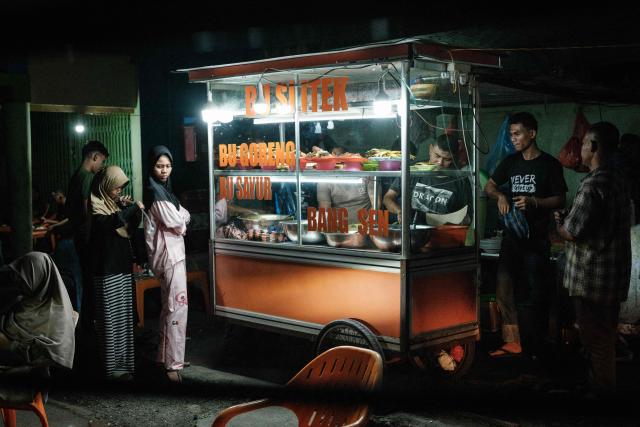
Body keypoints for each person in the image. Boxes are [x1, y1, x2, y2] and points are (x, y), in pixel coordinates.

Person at [554, 122, 631, 396]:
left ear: (594, 147)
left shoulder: (593, 184)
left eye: (584, 143)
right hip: (613, 276)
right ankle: (601, 384)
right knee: (606, 336)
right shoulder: (619, 179)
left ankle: (602, 392)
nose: (581, 148)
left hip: (591, 278)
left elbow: (572, 233)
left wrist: (560, 224)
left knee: (595, 338)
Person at [484, 112, 567, 358]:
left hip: (537, 240)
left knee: (536, 293)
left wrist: (535, 201)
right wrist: (500, 196)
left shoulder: (549, 164)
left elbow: (560, 198)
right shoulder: (510, 162)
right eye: (511, 134)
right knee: (504, 289)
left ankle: (537, 345)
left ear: (532, 133)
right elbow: (489, 185)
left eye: (518, 133)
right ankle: (512, 343)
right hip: (512, 239)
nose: (513, 139)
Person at [89, 165, 142, 381]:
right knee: (110, 319)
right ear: (105, 186)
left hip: (121, 267)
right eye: (116, 188)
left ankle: (124, 363)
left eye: (121, 188)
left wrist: (132, 211)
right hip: (106, 270)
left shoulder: (113, 205)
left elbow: (129, 228)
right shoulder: (96, 207)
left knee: (124, 317)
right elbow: (109, 225)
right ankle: (111, 369)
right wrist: (127, 210)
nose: (119, 192)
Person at [143, 146, 191, 383]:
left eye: (168, 166)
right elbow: (179, 222)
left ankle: (165, 357)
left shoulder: (165, 192)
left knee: (169, 308)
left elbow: (185, 215)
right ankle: (173, 364)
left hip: (173, 257)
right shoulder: (157, 194)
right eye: (159, 166)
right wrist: (180, 220)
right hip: (169, 258)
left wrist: (180, 219)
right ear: (151, 167)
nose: (164, 170)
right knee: (176, 308)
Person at [0, 252, 75, 374]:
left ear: (39, 277)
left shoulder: (57, 318)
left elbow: (50, 356)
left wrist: (10, 345)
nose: (17, 281)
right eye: (17, 276)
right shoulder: (28, 301)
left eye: (24, 278)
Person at [383, 134, 472, 225]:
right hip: (413, 232)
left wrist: (463, 221)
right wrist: (400, 211)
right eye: (437, 156)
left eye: (447, 159)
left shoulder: (460, 180)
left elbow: (467, 215)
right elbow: (388, 198)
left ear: (453, 158)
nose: (440, 162)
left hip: (443, 234)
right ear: (431, 149)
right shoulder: (415, 170)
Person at [67, 140, 109, 322]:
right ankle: (90, 322)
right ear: (94, 157)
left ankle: (86, 321)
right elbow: (87, 210)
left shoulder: (76, 175)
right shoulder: (86, 177)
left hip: (77, 235)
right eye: (101, 161)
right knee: (91, 280)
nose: (101, 166)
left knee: (85, 278)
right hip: (86, 237)